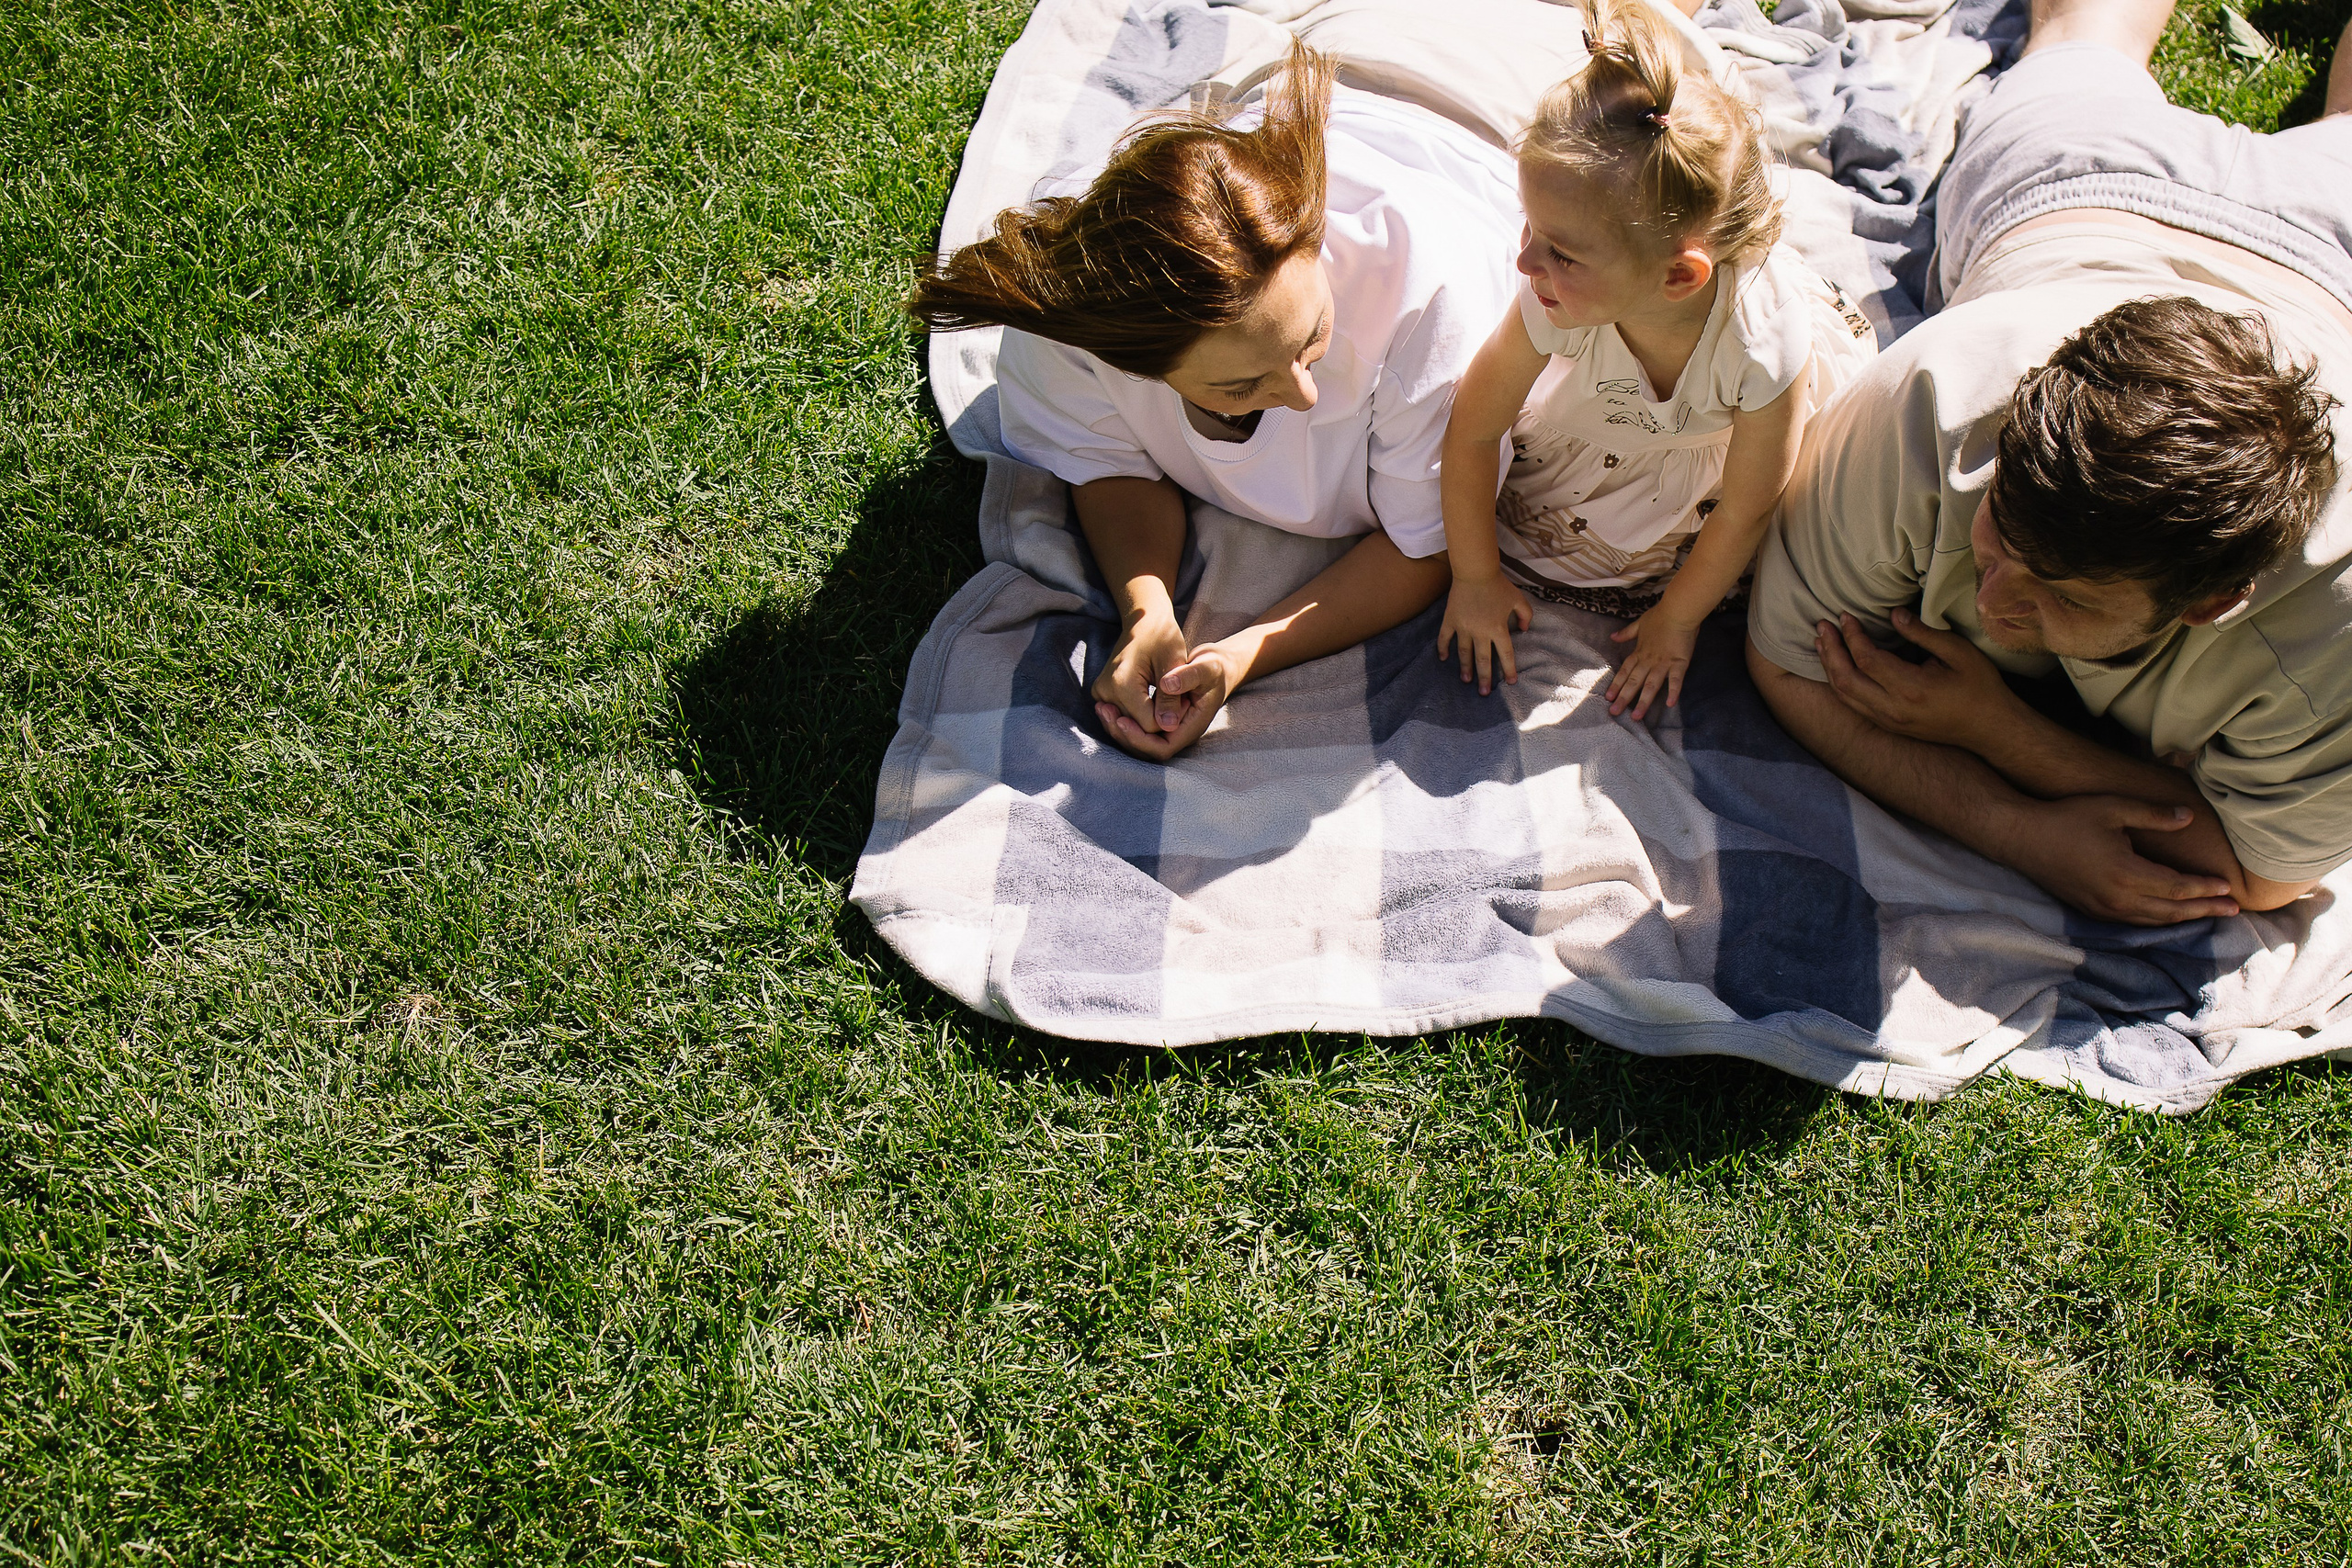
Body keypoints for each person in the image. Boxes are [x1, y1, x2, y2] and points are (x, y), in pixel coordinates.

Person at [1744, 0, 2352, 926]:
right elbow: (1788, 662)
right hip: (2084, 188)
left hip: (2330, 270)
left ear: (2210, 603)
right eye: (2001, 532)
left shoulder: (2334, 613)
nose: (1992, 604)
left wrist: (2003, 734)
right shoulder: (1941, 401)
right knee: (2083, 36)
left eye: (2066, 595)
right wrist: (2011, 830)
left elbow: (2262, 876)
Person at [908, 45, 1521, 761]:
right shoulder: (1078, 333)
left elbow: (1428, 545)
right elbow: (1111, 462)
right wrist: (1147, 613)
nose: (1305, 394)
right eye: (1240, 388)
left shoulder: (1432, 318)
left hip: (1485, 105)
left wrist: (1242, 655)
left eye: (1314, 334)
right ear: (1136, 370)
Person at [1437, 0, 1876, 716]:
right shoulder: (1555, 298)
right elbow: (1475, 426)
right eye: (1530, 228)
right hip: (1602, 425)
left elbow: (1746, 510)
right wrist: (1475, 576)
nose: (1525, 262)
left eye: (1561, 252)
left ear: (1679, 277)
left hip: (1712, 455)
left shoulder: (1761, 346)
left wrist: (1676, 620)